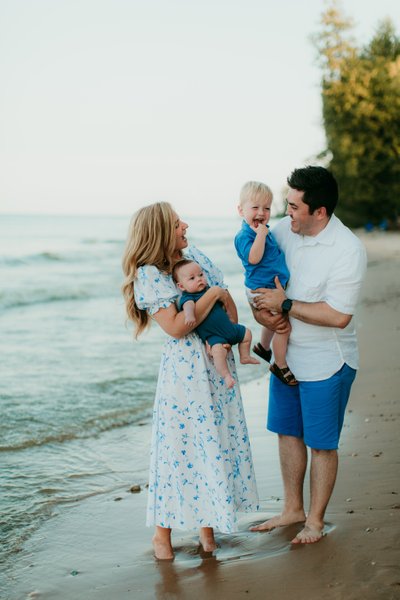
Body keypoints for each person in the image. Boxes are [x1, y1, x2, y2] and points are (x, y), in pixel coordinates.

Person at [121, 202, 259, 560]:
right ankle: (162, 538)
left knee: (212, 441)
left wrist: (227, 332)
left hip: (216, 363)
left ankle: (207, 531)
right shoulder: (150, 274)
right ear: (161, 232)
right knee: (177, 448)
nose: (185, 224)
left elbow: (228, 304)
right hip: (185, 374)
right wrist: (212, 295)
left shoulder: (194, 256)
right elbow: (179, 327)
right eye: (177, 222)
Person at [249, 166, 367, 543]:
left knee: (321, 443)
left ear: (319, 211)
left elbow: (338, 315)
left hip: (327, 362)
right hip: (286, 357)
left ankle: (314, 521)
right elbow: (258, 274)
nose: (287, 214)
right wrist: (258, 309)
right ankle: (291, 509)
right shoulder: (284, 231)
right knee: (287, 431)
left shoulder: (347, 249)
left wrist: (284, 305)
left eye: (295, 207)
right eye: (287, 204)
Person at [235, 181, 297, 386]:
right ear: (240, 210)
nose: (261, 213)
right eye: (255, 207)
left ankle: (263, 346)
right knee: (282, 327)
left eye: (267, 208)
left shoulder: (263, 231)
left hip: (269, 286)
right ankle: (280, 364)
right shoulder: (244, 236)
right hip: (262, 290)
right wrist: (261, 235)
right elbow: (254, 258)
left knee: (274, 320)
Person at [173, 259, 259, 389]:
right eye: (192, 278)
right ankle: (226, 376)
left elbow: (225, 304)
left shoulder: (209, 290)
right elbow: (188, 307)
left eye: (201, 275)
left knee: (247, 333)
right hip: (214, 337)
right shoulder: (189, 297)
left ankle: (245, 356)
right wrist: (189, 315)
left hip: (229, 328)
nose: (199, 279)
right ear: (181, 286)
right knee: (218, 353)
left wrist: (229, 314)